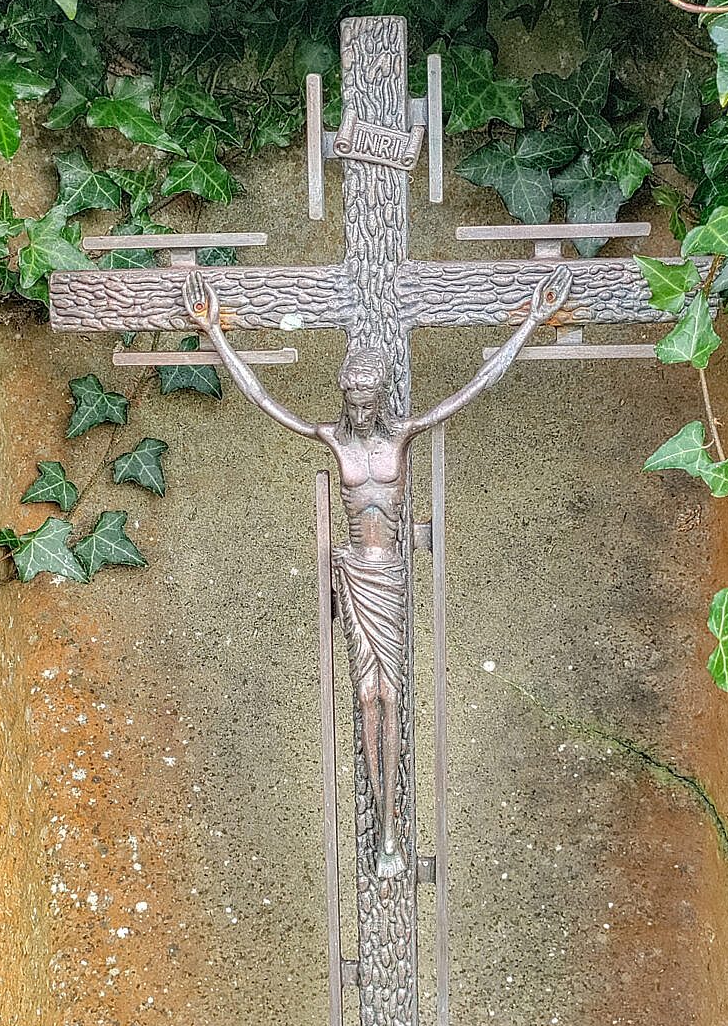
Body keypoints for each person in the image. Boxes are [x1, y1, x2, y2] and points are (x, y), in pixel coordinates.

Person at [182, 264, 573, 879]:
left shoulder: (403, 436)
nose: (359, 411)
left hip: (388, 574)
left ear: (383, 396)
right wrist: (214, 331)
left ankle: (391, 828)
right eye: (352, 401)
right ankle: (382, 821)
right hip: (352, 573)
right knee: (366, 694)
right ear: (344, 397)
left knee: (392, 692)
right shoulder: (334, 438)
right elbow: (261, 397)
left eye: (368, 401)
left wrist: (528, 321)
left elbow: (475, 386)